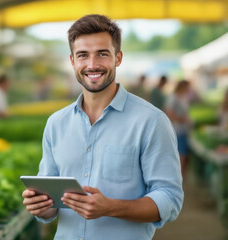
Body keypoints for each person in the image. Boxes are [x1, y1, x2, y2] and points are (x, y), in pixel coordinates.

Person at [22, 14, 183, 240]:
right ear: (72, 61)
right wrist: (42, 207)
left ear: (118, 58)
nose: (92, 64)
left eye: (102, 54)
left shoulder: (151, 121)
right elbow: (51, 205)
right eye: (83, 55)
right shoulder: (56, 123)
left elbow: (170, 199)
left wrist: (110, 207)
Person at [165, 80, 192, 179]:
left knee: (184, 154)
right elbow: (169, 114)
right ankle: (178, 177)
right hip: (177, 130)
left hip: (184, 129)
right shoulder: (173, 98)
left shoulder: (182, 97)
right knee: (181, 154)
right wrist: (183, 119)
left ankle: (180, 176)